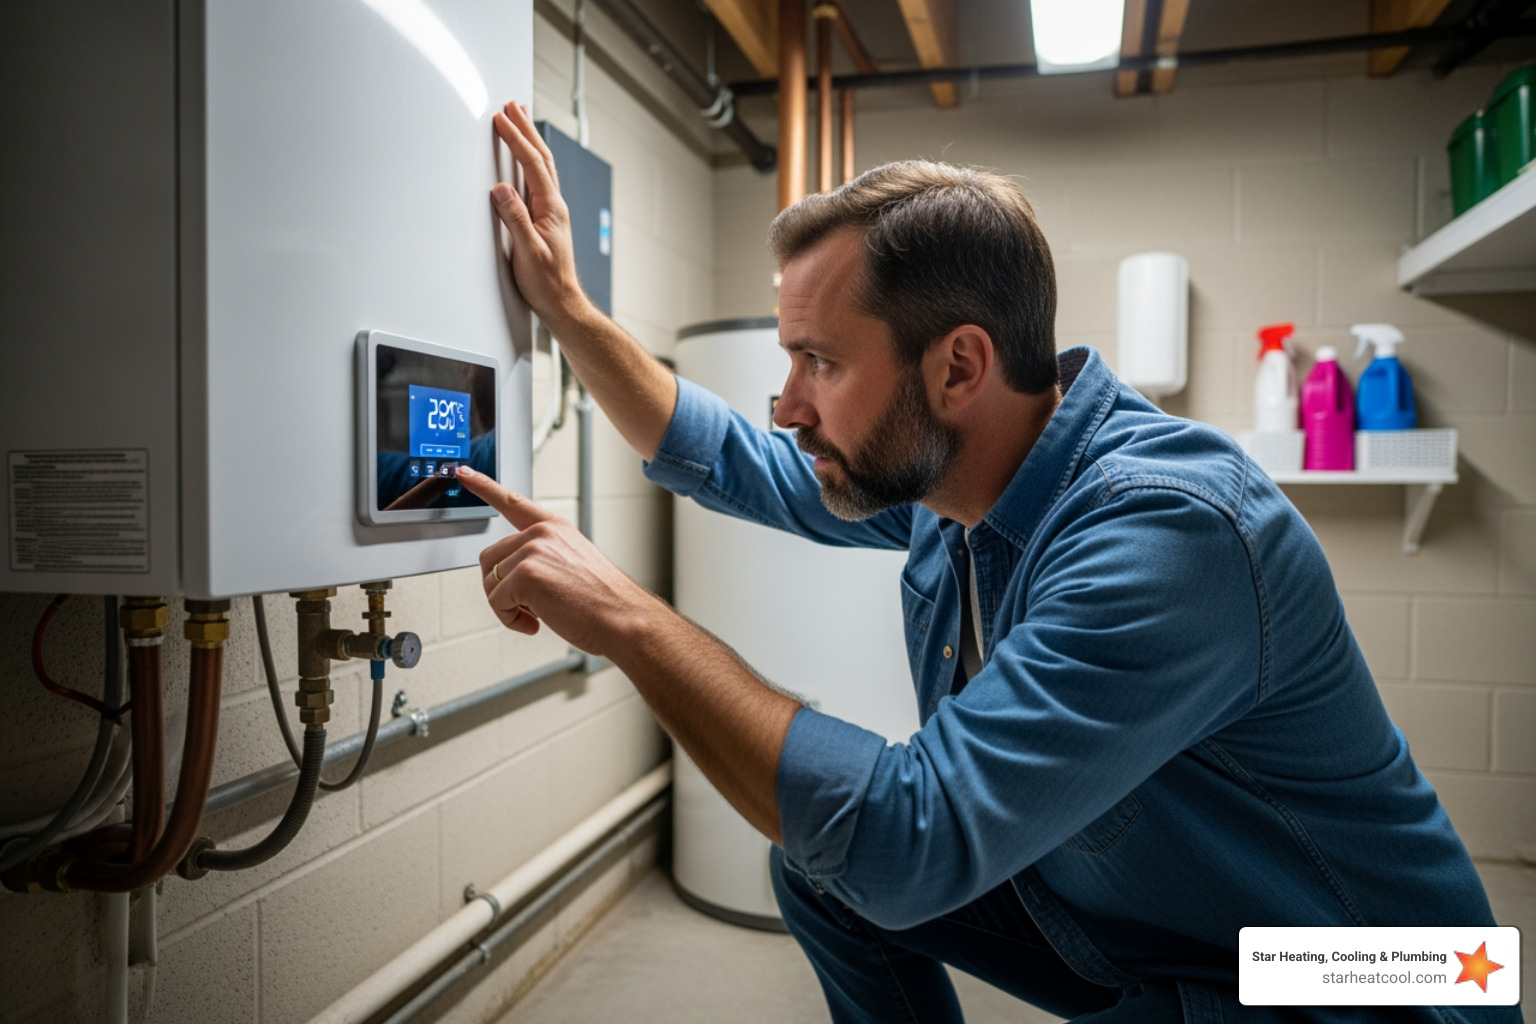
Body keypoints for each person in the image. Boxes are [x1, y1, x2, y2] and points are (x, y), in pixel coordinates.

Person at [454, 100, 1516, 1024]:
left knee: (870, 854)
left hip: (1366, 976)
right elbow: (736, 460)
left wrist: (631, 620)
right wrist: (570, 311)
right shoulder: (958, 488)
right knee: (824, 873)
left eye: (818, 360)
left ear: (958, 364)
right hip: (1163, 934)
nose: (786, 403)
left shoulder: (1166, 532)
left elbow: (909, 840)